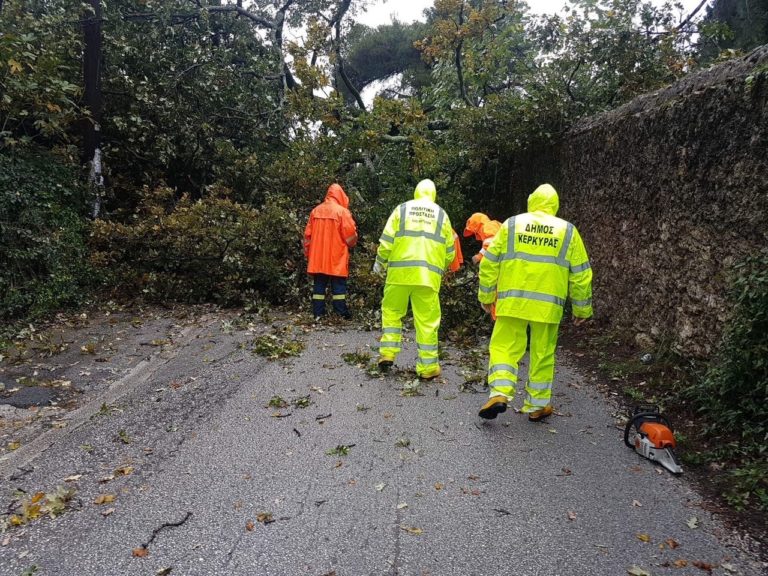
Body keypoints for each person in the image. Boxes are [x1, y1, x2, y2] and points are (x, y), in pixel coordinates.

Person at [476, 183, 593, 421]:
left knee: (504, 348)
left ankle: (499, 392)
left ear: (531, 201)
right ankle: (536, 405)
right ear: (555, 204)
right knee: (543, 353)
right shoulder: (568, 231)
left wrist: (487, 297)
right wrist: (582, 308)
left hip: (512, 302)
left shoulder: (511, 224)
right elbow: (581, 274)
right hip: (547, 307)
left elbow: (489, 263)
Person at [373, 179, 455, 379]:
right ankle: (428, 368)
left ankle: (388, 353)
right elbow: (450, 251)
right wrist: (440, 269)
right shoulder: (441, 214)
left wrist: (380, 263)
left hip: (398, 274)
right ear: (433, 194)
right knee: (427, 322)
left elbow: (386, 242)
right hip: (427, 277)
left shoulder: (401, 210)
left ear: (416, 192)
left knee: (392, 312)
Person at [303, 183, 358, 319]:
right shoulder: (342, 212)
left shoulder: (316, 211)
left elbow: (307, 237)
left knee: (319, 287)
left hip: (318, 257)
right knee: (338, 287)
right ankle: (340, 313)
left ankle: (318, 314)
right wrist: (352, 244)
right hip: (336, 256)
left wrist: (308, 254)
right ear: (340, 195)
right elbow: (350, 236)